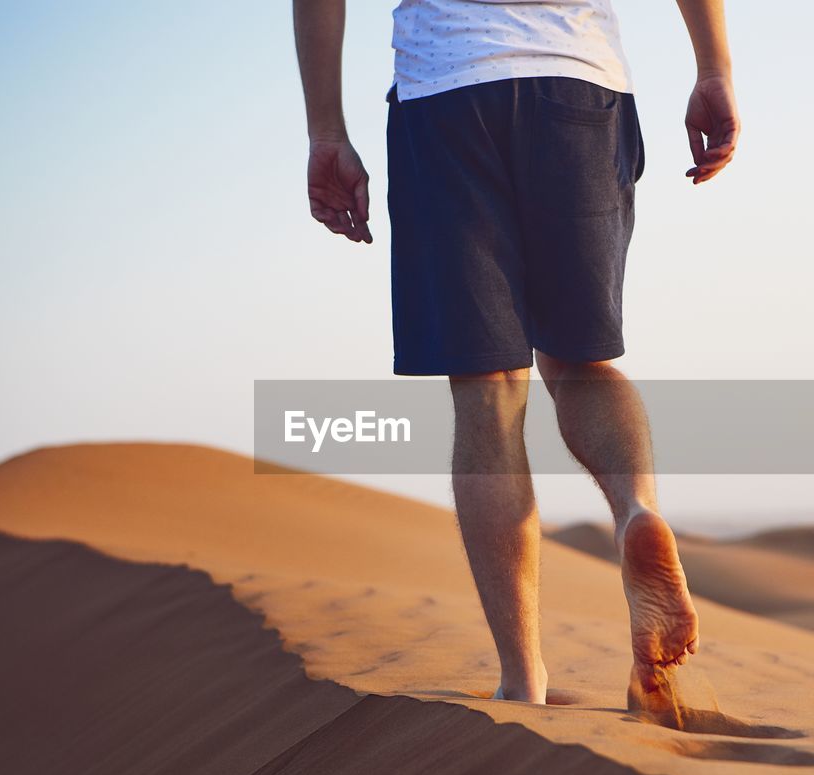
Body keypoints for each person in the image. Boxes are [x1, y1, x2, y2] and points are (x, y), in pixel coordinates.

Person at [292, 0, 739, 709]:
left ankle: (523, 677)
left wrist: (327, 130)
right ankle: (636, 511)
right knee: (581, 362)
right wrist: (713, 66)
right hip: (579, 83)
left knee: (489, 391)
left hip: (446, 93)